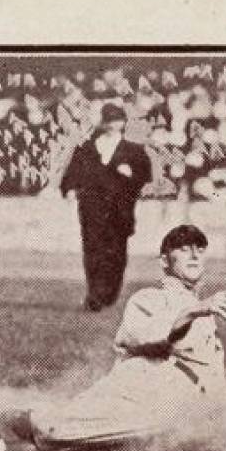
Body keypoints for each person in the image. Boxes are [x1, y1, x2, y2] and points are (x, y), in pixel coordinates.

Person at [0, 224, 226, 451]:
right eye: (183, 248)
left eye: (199, 249)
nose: (194, 255)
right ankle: (0, 425)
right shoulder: (150, 298)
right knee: (50, 430)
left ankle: (11, 442)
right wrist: (194, 311)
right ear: (165, 261)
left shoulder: (203, 310)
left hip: (175, 409)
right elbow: (156, 338)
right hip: (139, 396)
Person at [60, 103, 151, 311]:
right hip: (92, 206)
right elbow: (73, 172)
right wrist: (70, 189)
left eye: (117, 120)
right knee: (93, 249)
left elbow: (145, 177)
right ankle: (94, 294)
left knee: (116, 252)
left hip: (120, 209)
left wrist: (131, 174)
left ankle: (109, 293)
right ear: (103, 122)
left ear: (123, 123)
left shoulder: (134, 151)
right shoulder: (87, 148)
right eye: (109, 120)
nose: (112, 125)